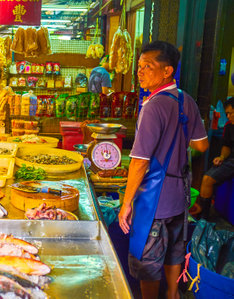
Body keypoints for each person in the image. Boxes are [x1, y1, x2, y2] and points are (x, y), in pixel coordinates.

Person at [118, 41, 209, 299]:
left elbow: (139, 162)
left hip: (153, 200)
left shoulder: (152, 107)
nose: (140, 71)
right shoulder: (186, 100)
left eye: (148, 66)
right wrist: (179, 144)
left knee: (147, 261)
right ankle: (172, 295)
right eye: (139, 66)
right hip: (179, 198)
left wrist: (126, 204)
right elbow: (202, 145)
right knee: (173, 253)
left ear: (167, 71)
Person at [198, 97, 234, 218]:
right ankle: (204, 219)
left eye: (230, 113)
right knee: (207, 179)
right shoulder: (229, 126)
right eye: (227, 113)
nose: (228, 117)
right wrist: (222, 157)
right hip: (231, 161)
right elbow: (227, 146)